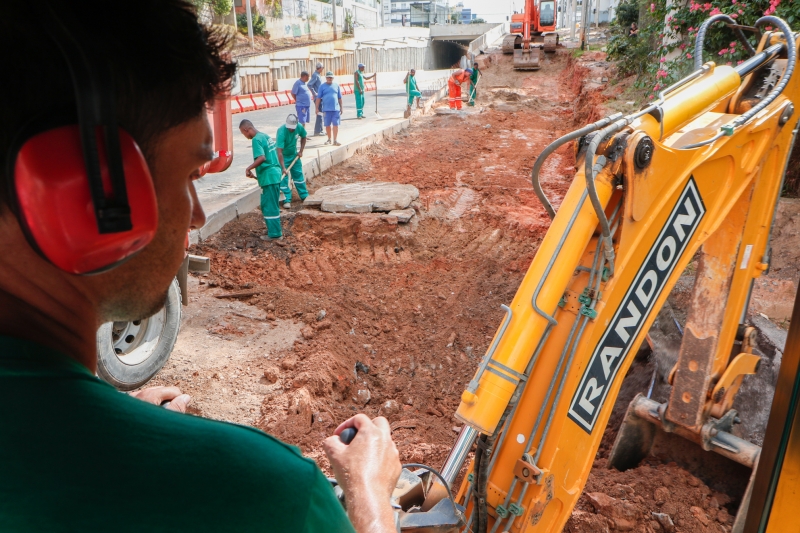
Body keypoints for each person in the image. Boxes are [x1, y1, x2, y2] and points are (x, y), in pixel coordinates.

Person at [0, 2, 401, 532]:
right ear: (86, 195)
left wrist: (123, 420)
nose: (198, 211)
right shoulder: (266, 494)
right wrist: (370, 497)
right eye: (191, 172)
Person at [239, 119, 284, 240]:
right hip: (274, 175)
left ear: (246, 129)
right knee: (272, 204)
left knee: (268, 205)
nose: (245, 136)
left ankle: (274, 234)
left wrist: (249, 168)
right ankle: (273, 229)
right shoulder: (265, 136)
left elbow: (262, 158)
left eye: (244, 134)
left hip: (269, 178)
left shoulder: (256, 140)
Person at [276, 114, 309, 209]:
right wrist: (283, 167)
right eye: (290, 128)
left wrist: (301, 151)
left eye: (293, 128)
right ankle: (286, 199)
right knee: (284, 178)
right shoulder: (281, 131)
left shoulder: (299, 127)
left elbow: (304, 137)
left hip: (294, 155)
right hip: (283, 157)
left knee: (298, 175)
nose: (291, 130)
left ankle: (304, 195)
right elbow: (279, 152)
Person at [316, 71, 343, 146]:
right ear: (326, 78)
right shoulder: (322, 86)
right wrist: (316, 108)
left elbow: (340, 97)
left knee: (335, 124)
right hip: (326, 109)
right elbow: (318, 98)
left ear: (333, 78)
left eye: (331, 77)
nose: (329, 78)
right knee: (327, 125)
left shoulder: (336, 85)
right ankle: (329, 139)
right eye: (328, 77)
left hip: (335, 109)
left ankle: (335, 140)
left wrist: (341, 107)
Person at [308, 62, 325, 136]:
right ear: (320, 68)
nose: (323, 69)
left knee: (321, 113)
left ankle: (320, 129)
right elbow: (309, 84)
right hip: (318, 98)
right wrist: (315, 93)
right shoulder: (315, 75)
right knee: (319, 113)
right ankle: (317, 131)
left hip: (320, 97)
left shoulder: (318, 75)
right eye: (322, 68)